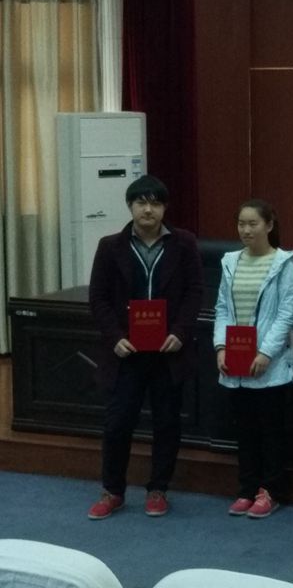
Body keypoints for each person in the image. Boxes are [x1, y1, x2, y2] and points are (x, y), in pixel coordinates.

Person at [87, 175, 203, 519]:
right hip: (126, 353)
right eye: (141, 202)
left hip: (169, 352)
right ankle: (113, 491)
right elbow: (98, 298)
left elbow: (195, 292)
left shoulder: (184, 244)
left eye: (155, 203)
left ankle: (158, 489)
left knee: (166, 423)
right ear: (130, 206)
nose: (148, 209)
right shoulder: (110, 246)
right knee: (117, 423)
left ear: (164, 207)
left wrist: (180, 332)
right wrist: (115, 337)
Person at [212, 199, 293, 518]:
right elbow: (222, 308)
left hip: (270, 362)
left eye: (253, 224)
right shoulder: (230, 261)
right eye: (241, 224)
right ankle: (247, 488)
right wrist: (220, 347)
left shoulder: (285, 263)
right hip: (236, 360)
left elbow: (287, 313)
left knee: (271, 431)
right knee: (245, 430)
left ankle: (271, 490)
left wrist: (266, 352)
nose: (246, 230)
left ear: (269, 225)